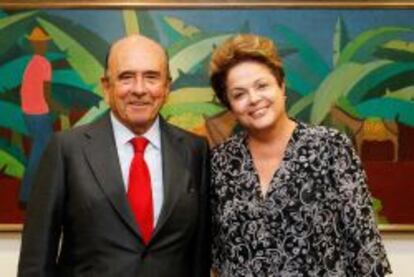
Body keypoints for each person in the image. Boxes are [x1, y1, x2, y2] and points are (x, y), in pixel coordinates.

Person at [18, 34, 210, 277]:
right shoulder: (65, 149)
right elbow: (36, 260)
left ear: (166, 87)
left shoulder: (195, 150)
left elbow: (199, 256)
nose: (139, 89)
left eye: (151, 77)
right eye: (126, 77)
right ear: (106, 86)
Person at [209, 34, 391, 276]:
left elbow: (365, 247)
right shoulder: (221, 161)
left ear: (281, 87)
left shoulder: (331, 148)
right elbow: (217, 255)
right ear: (230, 106)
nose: (253, 99)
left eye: (262, 86)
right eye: (239, 94)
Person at [19, 26, 54, 204]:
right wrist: (59, 108)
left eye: (44, 43)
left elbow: (24, 90)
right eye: (41, 43)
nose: (43, 46)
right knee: (41, 154)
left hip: (28, 113)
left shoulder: (31, 63)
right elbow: (47, 94)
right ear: (37, 45)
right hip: (39, 114)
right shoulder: (44, 63)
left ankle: (32, 194)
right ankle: (26, 196)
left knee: (39, 153)